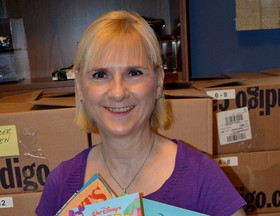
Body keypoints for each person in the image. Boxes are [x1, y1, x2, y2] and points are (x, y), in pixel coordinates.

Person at [36, 10, 246, 216]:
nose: (118, 92)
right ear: (80, 87)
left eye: (133, 73)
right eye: (101, 75)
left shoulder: (202, 177)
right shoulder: (60, 185)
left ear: (158, 81)